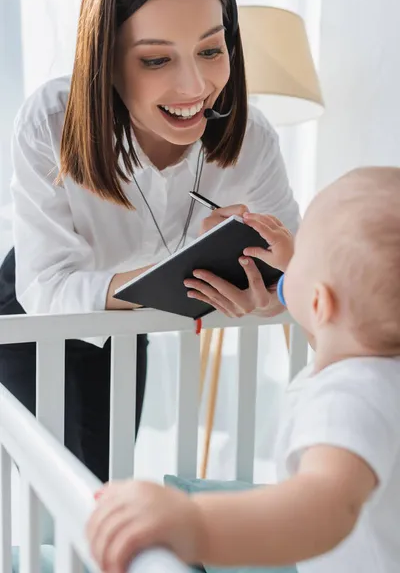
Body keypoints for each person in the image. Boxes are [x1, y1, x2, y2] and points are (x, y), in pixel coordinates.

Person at [0, 0, 299, 483]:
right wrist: (169, 277)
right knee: (45, 483)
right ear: (106, 60)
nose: (195, 87)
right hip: (34, 313)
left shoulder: (253, 141)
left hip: (129, 321)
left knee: (104, 483)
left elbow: (298, 277)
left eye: (211, 51)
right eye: (156, 59)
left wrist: (270, 291)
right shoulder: (50, 121)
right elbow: (46, 286)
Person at [87, 167, 400, 573]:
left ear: (321, 304)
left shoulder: (350, 397)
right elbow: (332, 334)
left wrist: (196, 524)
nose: (291, 261)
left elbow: (323, 505)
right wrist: (297, 264)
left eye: (301, 251)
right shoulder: (375, 366)